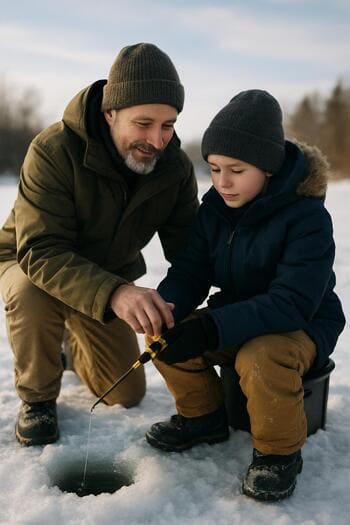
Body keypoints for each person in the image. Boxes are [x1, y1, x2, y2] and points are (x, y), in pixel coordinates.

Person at [144, 90, 345, 501]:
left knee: (260, 356)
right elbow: (191, 271)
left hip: (301, 324)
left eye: (236, 169)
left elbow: (292, 302)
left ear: (268, 168)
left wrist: (212, 326)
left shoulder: (307, 218)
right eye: (215, 168)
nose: (222, 182)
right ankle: (204, 418)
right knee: (164, 333)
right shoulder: (215, 209)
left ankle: (278, 454)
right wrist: (166, 307)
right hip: (238, 315)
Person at [0, 43, 199, 447]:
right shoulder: (52, 149)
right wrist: (116, 293)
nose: (156, 140)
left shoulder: (173, 168)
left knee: (124, 394)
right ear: (111, 113)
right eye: (143, 123)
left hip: (106, 276)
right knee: (30, 290)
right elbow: (41, 251)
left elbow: (191, 252)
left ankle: (71, 345)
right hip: (31, 260)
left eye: (168, 125)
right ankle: (37, 397)